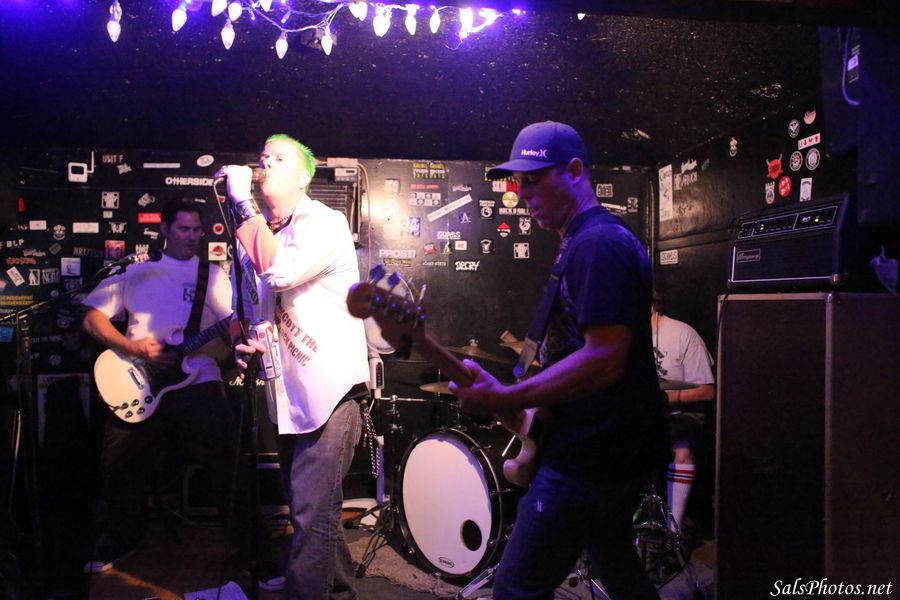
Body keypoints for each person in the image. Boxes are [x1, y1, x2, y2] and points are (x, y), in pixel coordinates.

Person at [450, 121, 668, 600]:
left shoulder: (599, 244)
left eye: (532, 180)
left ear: (573, 171)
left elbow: (604, 359)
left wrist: (506, 397)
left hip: (591, 453)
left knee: (516, 588)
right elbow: (576, 350)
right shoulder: (583, 240)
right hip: (604, 446)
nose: (521, 193)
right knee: (617, 566)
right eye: (517, 182)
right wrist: (517, 396)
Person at [81, 198, 265, 583]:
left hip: (197, 380)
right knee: (119, 464)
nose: (192, 236)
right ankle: (121, 539)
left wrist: (239, 339)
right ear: (164, 229)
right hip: (139, 381)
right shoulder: (136, 272)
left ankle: (250, 553)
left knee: (230, 463)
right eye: (184, 229)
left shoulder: (212, 275)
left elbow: (232, 323)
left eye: (197, 230)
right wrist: (133, 347)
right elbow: (93, 318)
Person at [218, 134, 369, 600]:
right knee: (314, 510)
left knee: (310, 512)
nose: (265, 163)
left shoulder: (324, 223)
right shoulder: (258, 234)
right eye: (262, 156)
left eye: (278, 158)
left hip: (330, 391)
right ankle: (338, 592)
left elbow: (280, 272)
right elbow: (253, 307)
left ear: (304, 178)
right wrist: (246, 341)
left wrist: (240, 201)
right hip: (287, 393)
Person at [651, 291, 715, 532]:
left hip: (679, 414)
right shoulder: (625, 336)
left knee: (681, 450)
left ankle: (673, 530)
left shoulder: (682, 334)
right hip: (643, 414)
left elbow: (707, 391)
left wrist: (666, 399)